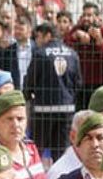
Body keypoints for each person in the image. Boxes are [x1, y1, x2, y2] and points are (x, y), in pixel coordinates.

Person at [24, 22, 81, 157]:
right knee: (61, 152)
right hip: (66, 109)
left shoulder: (40, 54)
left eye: (38, 37)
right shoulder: (72, 54)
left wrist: (28, 96)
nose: (36, 41)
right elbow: (78, 83)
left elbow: (30, 81)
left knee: (37, 150)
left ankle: (36, 177)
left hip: (43, 110)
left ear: (47, 35)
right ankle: (60, 177)